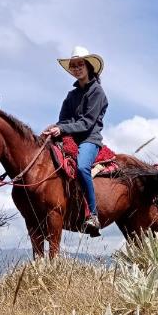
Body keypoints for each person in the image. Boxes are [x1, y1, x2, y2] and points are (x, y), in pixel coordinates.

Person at [42, 46, 108, 235]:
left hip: (90, 139)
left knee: (81, 167)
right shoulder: (70, 96)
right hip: (69, 138)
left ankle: (92, 215)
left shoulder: (97, 93)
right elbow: (63, 120)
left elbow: (87, 123)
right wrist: (55, 128)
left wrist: (61, 128)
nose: (77, 68)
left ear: (88, 67)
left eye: (80, 64)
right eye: (74, 66)